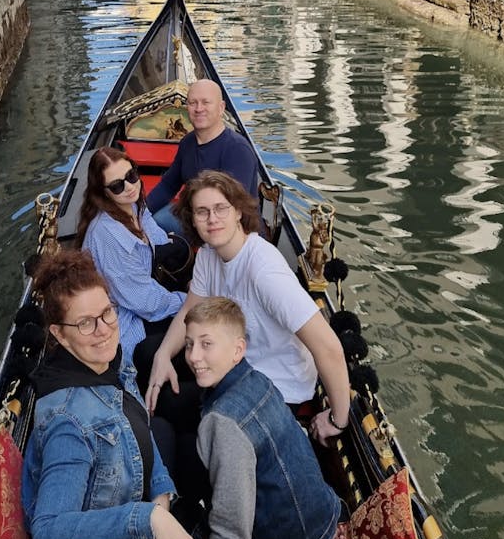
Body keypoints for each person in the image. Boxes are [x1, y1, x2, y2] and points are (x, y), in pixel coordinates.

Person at [145, 170, 351, 447]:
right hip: (233, 365)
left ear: (239, 212)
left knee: (186, 443)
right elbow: (188, 312)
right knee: (148, 359)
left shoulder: (264, 271)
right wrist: (163, 356)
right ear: (192, 219)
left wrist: (338, 420)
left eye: (220, 209)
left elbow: (328, 347)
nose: (212, 219)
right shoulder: (208, 254)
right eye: (202, 212)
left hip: (276, 385)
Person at [21, 250, 202, 539]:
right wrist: (148, 519)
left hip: (145, 509)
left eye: (107, 312)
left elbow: (140, 430)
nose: (104, 329)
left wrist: (160, 503)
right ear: (60, 335)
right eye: (86, 323)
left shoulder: (110, 363)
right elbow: (48, 533)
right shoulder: (67, 423)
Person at [185, 297, 342, 539]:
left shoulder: (222, 422)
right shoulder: (260, 380)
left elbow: (231, 538)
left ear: (238, 350)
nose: (193, 356)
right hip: (325, 517)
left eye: (206, 344)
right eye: (189, 344)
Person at [76, 146, 185, 365]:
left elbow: (158, 238)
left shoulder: (133, 206)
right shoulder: (107, 236)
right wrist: (189, 301)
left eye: (131, 175)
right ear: (104, 192)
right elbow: (144, 301)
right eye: (117, 186)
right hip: (122, 320)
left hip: (141, 295)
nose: (129, 187)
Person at [146, 79, 259, 233]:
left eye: (206, 102)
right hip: (196, 215)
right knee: (151, 221)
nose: (199, 109)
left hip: (232, 228)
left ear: (221, 108)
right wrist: (139, 214)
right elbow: (168, 185)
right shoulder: (187, 142)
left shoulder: (237, 149)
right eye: (193, 103)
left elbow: (233, 207)